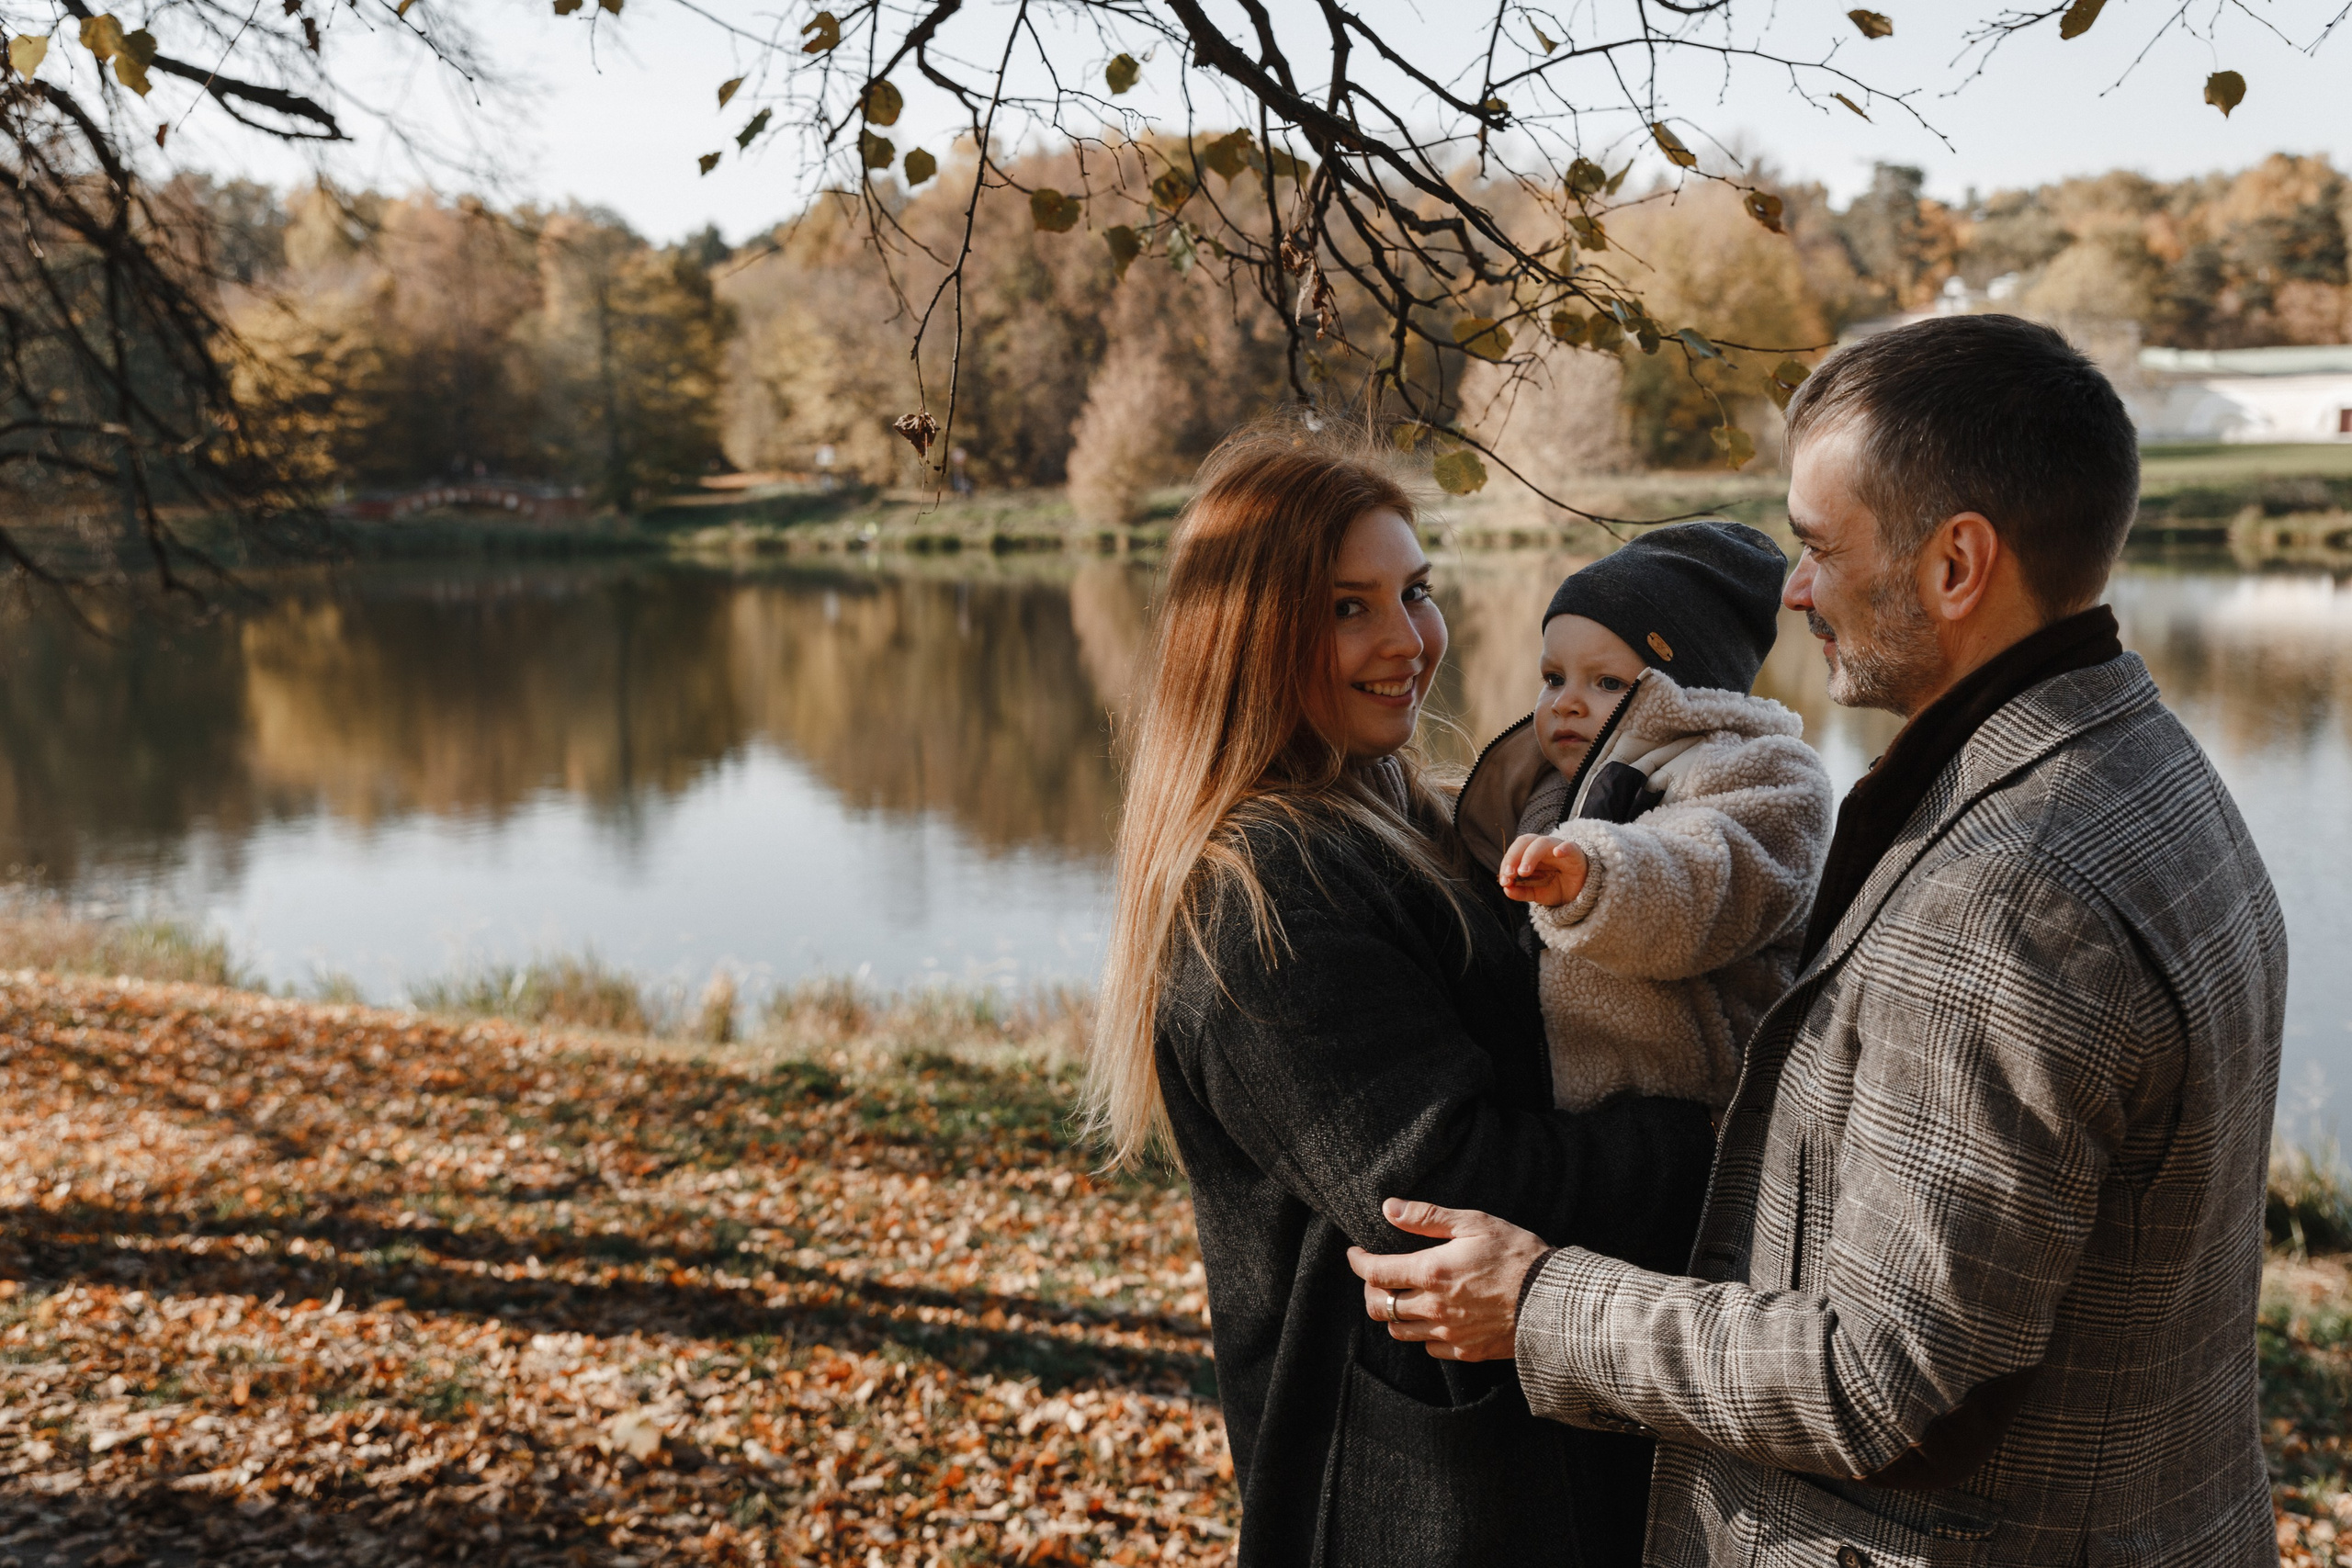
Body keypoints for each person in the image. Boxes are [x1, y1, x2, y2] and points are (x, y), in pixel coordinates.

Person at [1347, 314, 2288, 1568]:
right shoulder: (2148, 764)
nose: (1790, 591)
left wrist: (1537, 1300)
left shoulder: (2006, 900)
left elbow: (1880, 1374)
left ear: (1958, 563)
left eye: (1816, 545)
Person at [1082, 419, 1717, 1566]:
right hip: (1414, 1503)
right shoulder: (1260, 891)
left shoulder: (1420, 819)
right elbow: (1440, 1183)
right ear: (1249, 639)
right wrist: (1719, 1140)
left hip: (1519, 1461)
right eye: (1346, 607)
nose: (1407, 641)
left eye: (1413, 591)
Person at [1453, 522, 1834, 1111]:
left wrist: (1595, 875)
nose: (1567, 702)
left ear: (1685, 689)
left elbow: (1707, 875)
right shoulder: (1547, 789)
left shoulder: (1763, 772)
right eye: (1553, 678)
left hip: (1701, 1117)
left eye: (1606, 682)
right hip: (1568, 1115)